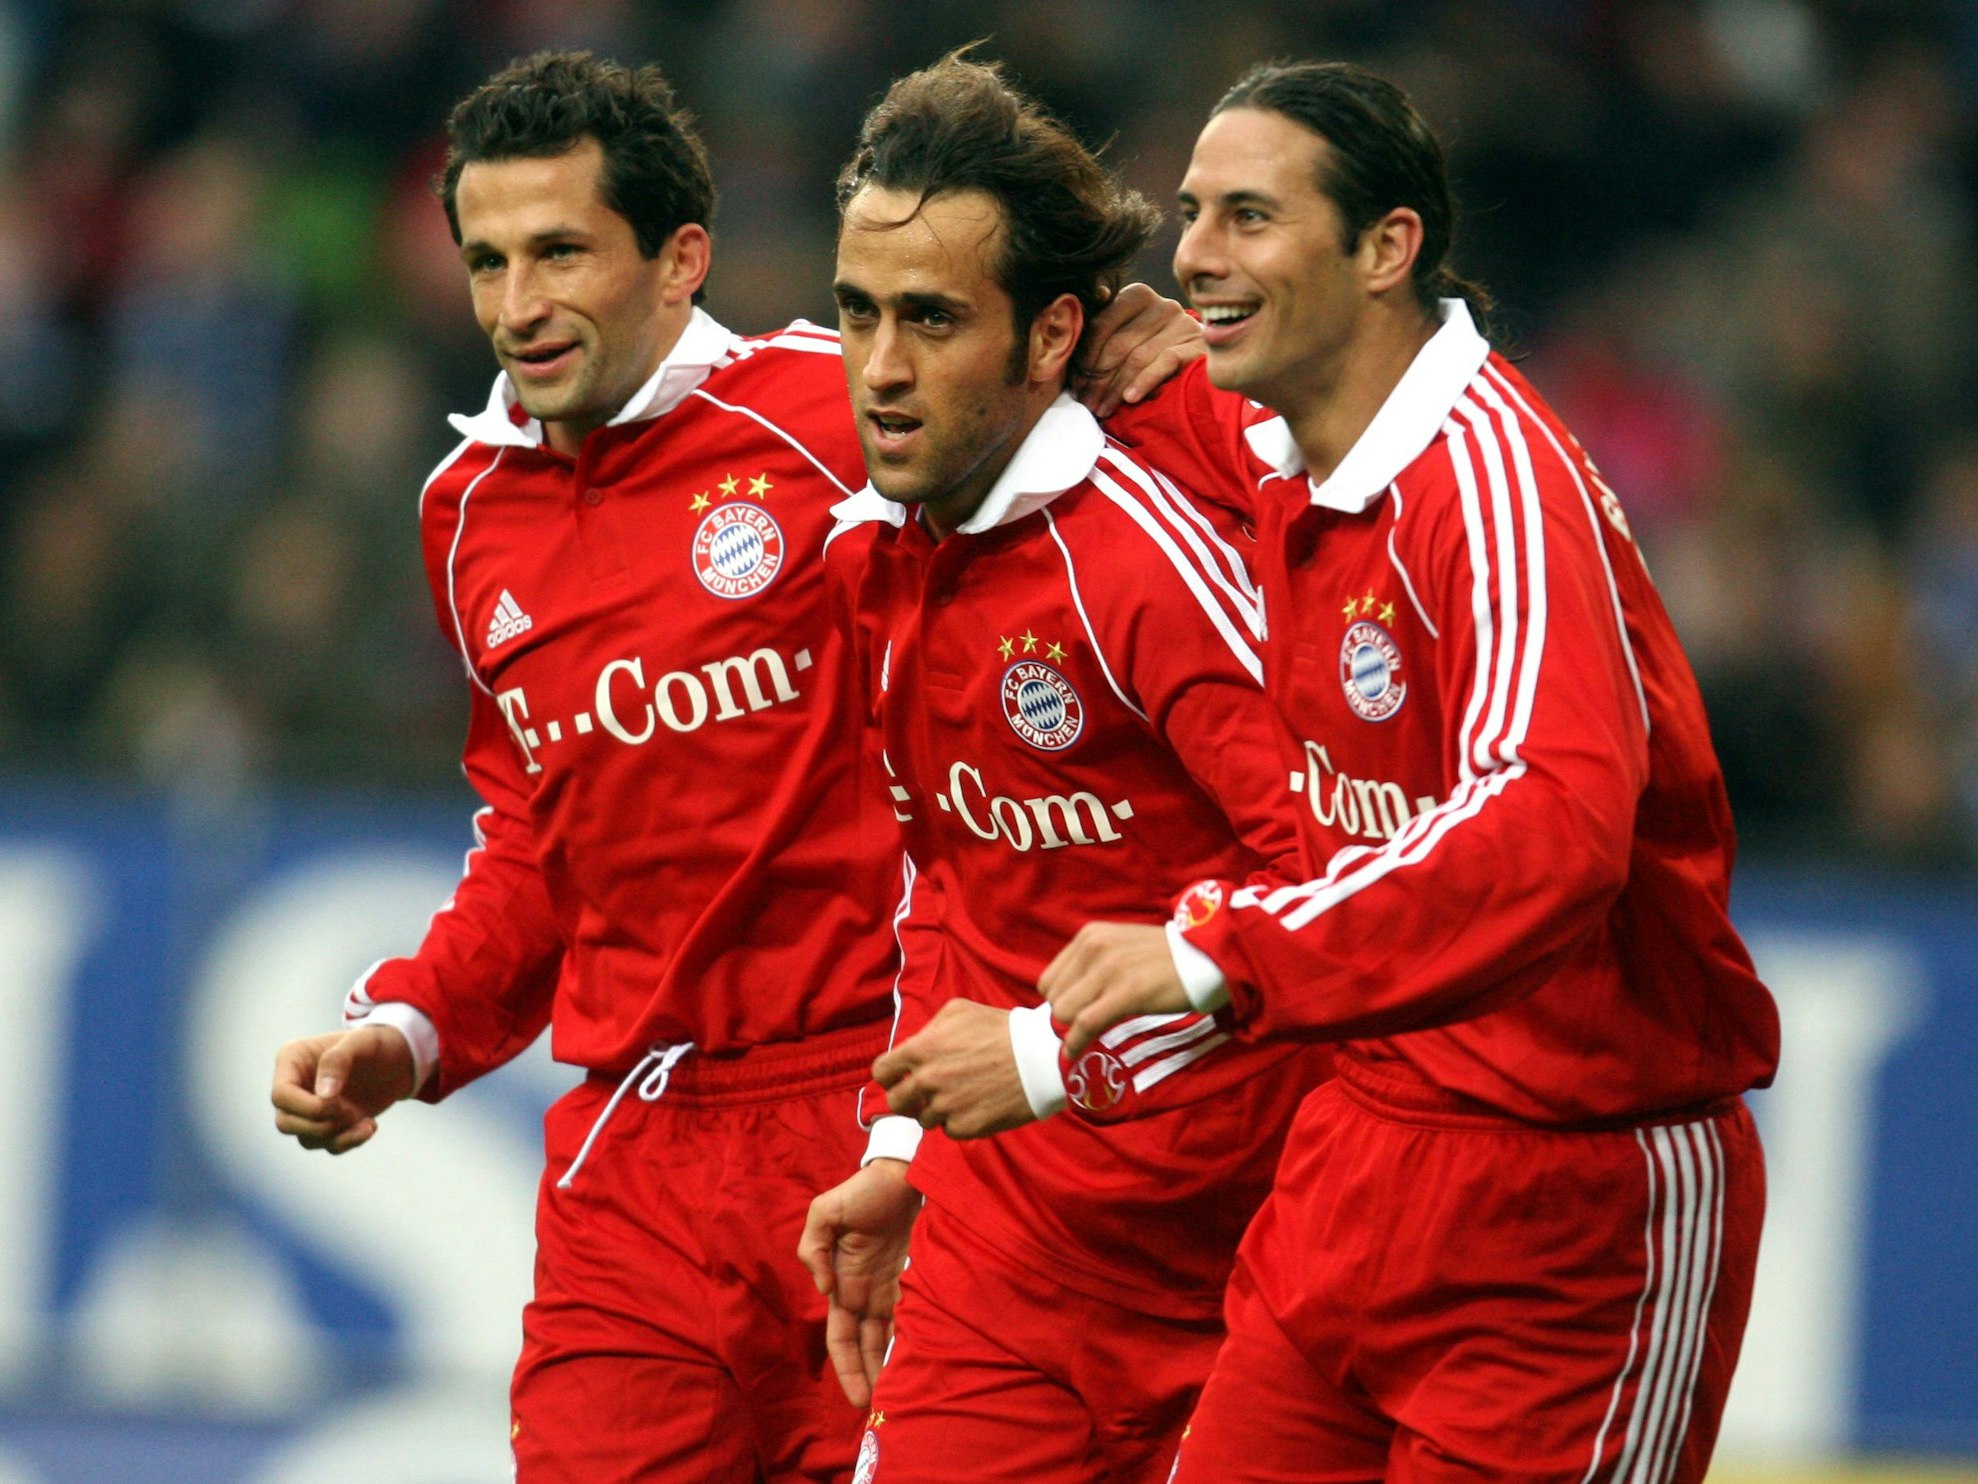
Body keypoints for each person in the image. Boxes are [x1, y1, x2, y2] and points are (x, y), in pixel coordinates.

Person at [264, 50, 1198, 1484]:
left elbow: (1090, 471)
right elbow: (533, 841)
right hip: (632, 1162)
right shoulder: (466, 513)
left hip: (879, 1113)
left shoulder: (845, 413)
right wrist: (405, 1033)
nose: (520, 306)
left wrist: (1166, 362)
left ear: (679, 258)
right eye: (488, 261)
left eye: (561, 252)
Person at [1041, 61, 1782, 1484]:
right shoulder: (1280, 434)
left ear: (1386, 249)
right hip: (1358, 1156)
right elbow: (1165, 404)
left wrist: (1218, 953)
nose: (1193, 252)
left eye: (1249, 216)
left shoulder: (1496, 482)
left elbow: (1547, 823)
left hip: (1570, 1196)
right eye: (1192, 214)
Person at [796, 55, 1331, 1484]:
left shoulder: (1140, 560)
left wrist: (1049, 1056)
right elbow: (952, 887)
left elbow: (1334, 881)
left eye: (930, 320)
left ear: (1048, 342)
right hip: (1013, 1259)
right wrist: (910, 1146)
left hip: (1250, 1255)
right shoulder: (869, 558)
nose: (882, 369)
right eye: (858, 314)